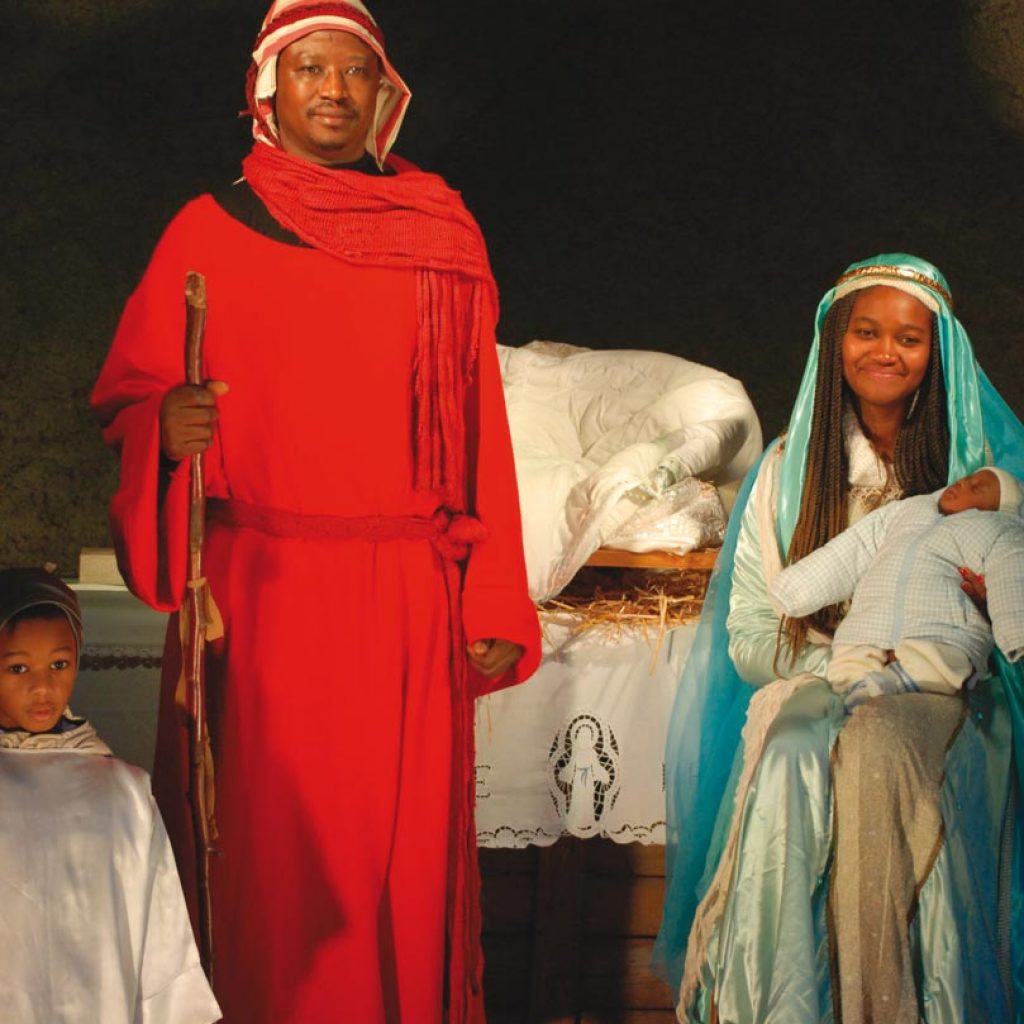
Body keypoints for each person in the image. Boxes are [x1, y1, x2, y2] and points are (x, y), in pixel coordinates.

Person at [90, 2, 541, 1022]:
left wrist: (490, 596)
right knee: (269, 870)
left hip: (405, 596)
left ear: (384, 92)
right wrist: (167, 427)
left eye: (353, 71)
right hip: (258, 602)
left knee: (395, 862)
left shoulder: (438, 234)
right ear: (268, 89)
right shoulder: (208, 231)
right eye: (309, 69)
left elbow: (477, 423)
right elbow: (132, 397)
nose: (333, 90)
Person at [652, 254, 1024, 1024]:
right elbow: (753, 632)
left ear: (938, 353)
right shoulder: (788, 471)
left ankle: (904, 1000)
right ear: (836, 341)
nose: (885, 351)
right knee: (793, 751)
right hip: (823, 679)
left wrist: (969, 625)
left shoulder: (980, 474)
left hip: (950, 691)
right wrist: (854, 662)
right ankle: (780, 1004)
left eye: (909, 339)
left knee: (890, 753)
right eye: (866, 332)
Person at [0, 567, 222, 1024]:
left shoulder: (125, 794)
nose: (42, 687)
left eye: (59, 664)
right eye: (18, 668)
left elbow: (161, 949)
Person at [771, 466, 1024, 704]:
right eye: (966, 479)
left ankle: (893, 690)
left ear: (998, 509)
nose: (963, 484)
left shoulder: (999, 530)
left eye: (977, 488)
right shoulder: (908, 510)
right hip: (867, 623)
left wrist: (1016, 631)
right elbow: (855, 547)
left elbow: (1011, 576)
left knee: (939, 662)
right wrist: (795, 588)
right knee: (848, 663)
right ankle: (857, 696)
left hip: (941, 627)